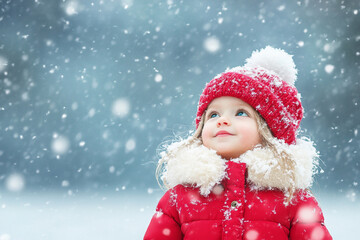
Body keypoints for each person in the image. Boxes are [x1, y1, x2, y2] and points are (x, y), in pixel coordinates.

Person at [144, 46, 332, 240]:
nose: (222, 120)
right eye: (214, 114)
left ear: (271, 130)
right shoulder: (179, 198)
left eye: (241, 113)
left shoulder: (292, 200)